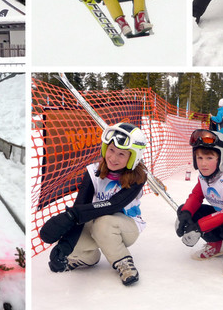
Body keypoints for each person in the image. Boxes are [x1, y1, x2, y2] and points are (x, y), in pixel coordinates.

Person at [40, 122, 148, 286]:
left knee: (103, 222)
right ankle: (89, 258)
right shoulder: (93, 172)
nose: (113, 158)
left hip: (127, 227)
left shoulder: (138, 177)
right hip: (97, 223)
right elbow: (80, 206)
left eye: (121, 154)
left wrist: (75, 214)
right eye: (111, 150)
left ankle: (123, 261)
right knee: (72, 240)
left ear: (133, 157)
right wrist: (65, 245)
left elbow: (113, 204)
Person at [175, 129, 223, 276]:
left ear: (222, 158)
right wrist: (185, 214)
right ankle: (216, 245)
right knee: (189, 212)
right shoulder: (205, 177)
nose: (203, 163)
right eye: (199, 158)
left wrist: (200, 226)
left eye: (209, 158)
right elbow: (196, 196)